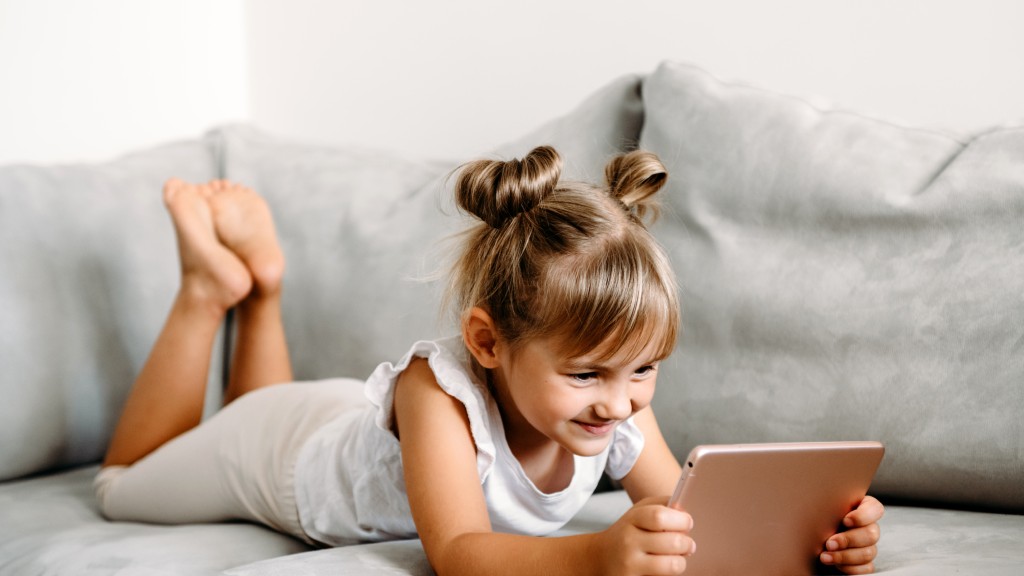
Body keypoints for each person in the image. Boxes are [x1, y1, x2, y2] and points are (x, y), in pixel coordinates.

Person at [95, 146, 884, 576]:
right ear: (486, 343)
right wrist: (598, 557)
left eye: (642, 369)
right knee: (119, 486)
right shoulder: (432, 391)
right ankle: (208, 290)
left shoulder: (615, 401)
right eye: (586, 375)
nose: (619, 404)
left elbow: (690, 520)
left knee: (258, 403)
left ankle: (260, 291)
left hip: (336, 423)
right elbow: (461, 554)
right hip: (280, 458)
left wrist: (815, 537)